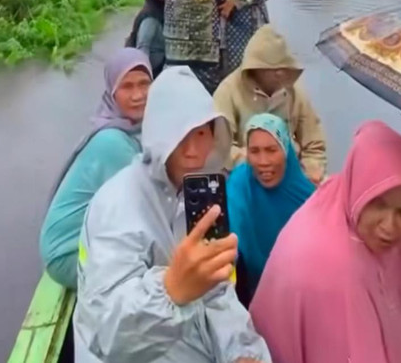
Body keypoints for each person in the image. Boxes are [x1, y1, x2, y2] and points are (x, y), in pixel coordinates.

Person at [73, 66, 272, 363]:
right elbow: (108, 335)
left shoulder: (199, 200)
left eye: (202, 133)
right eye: (179, 135)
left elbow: (217, 293)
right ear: (157, 135)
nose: (193, 151)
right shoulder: (117, 207)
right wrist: (171, 290)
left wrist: (240, 351)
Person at [249, 120, 401, 363]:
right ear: (360, 190)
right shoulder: (333, 265)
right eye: (379, 205)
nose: (389, 226)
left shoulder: (345, 202)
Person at [39, 47, 152, 290]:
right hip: (68, 254)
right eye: (127, 87)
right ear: (112, 92)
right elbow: (146, 208)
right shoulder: (113, 141)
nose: (138, 95)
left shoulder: (129, 128)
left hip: (88, 242)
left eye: (144, 84)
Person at [213, 24, 327, 184]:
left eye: (283, 68)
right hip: (244, 175)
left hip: (291, 174)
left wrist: (312, 170)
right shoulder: (228, 92)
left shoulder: (295, 92)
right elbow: (219, 148)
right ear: (255, 68)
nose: (280, 74)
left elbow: (314, 143)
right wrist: (258, 161)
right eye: (272, 70)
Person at [227, 113, 315, 305]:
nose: (263, 161)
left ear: (286, 151)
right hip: (246, 292)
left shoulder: (307, 196)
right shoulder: (240, 185)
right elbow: (230, 238)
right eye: (255, 151)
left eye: (271, 150)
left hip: (297, 295)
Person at [125, 0, 167, 77]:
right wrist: (144, 72)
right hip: (152, 69)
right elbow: (143, 46)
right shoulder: (150, 18)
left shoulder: (160, 13)